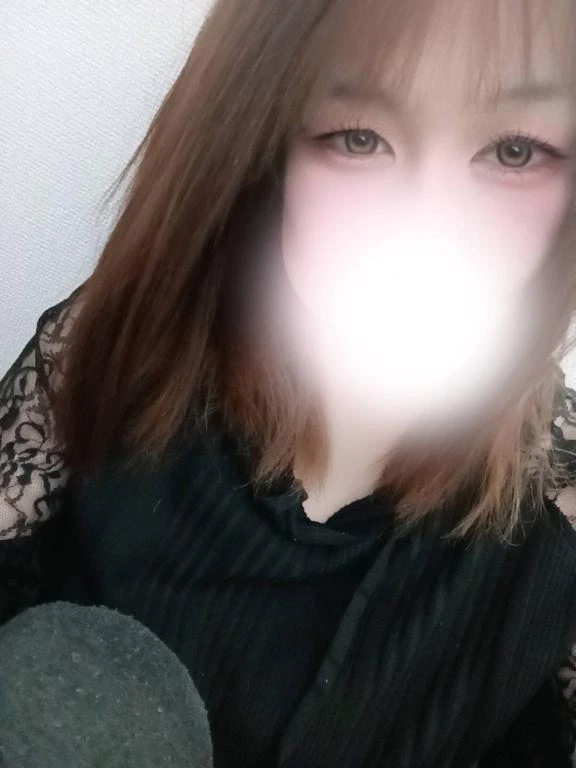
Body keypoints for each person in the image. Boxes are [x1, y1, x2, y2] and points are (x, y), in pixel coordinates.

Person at [3, 0, 576, 764]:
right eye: (359, 138)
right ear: (262, 153)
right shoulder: (113, 357)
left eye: (514, 150)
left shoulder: (560, 509)